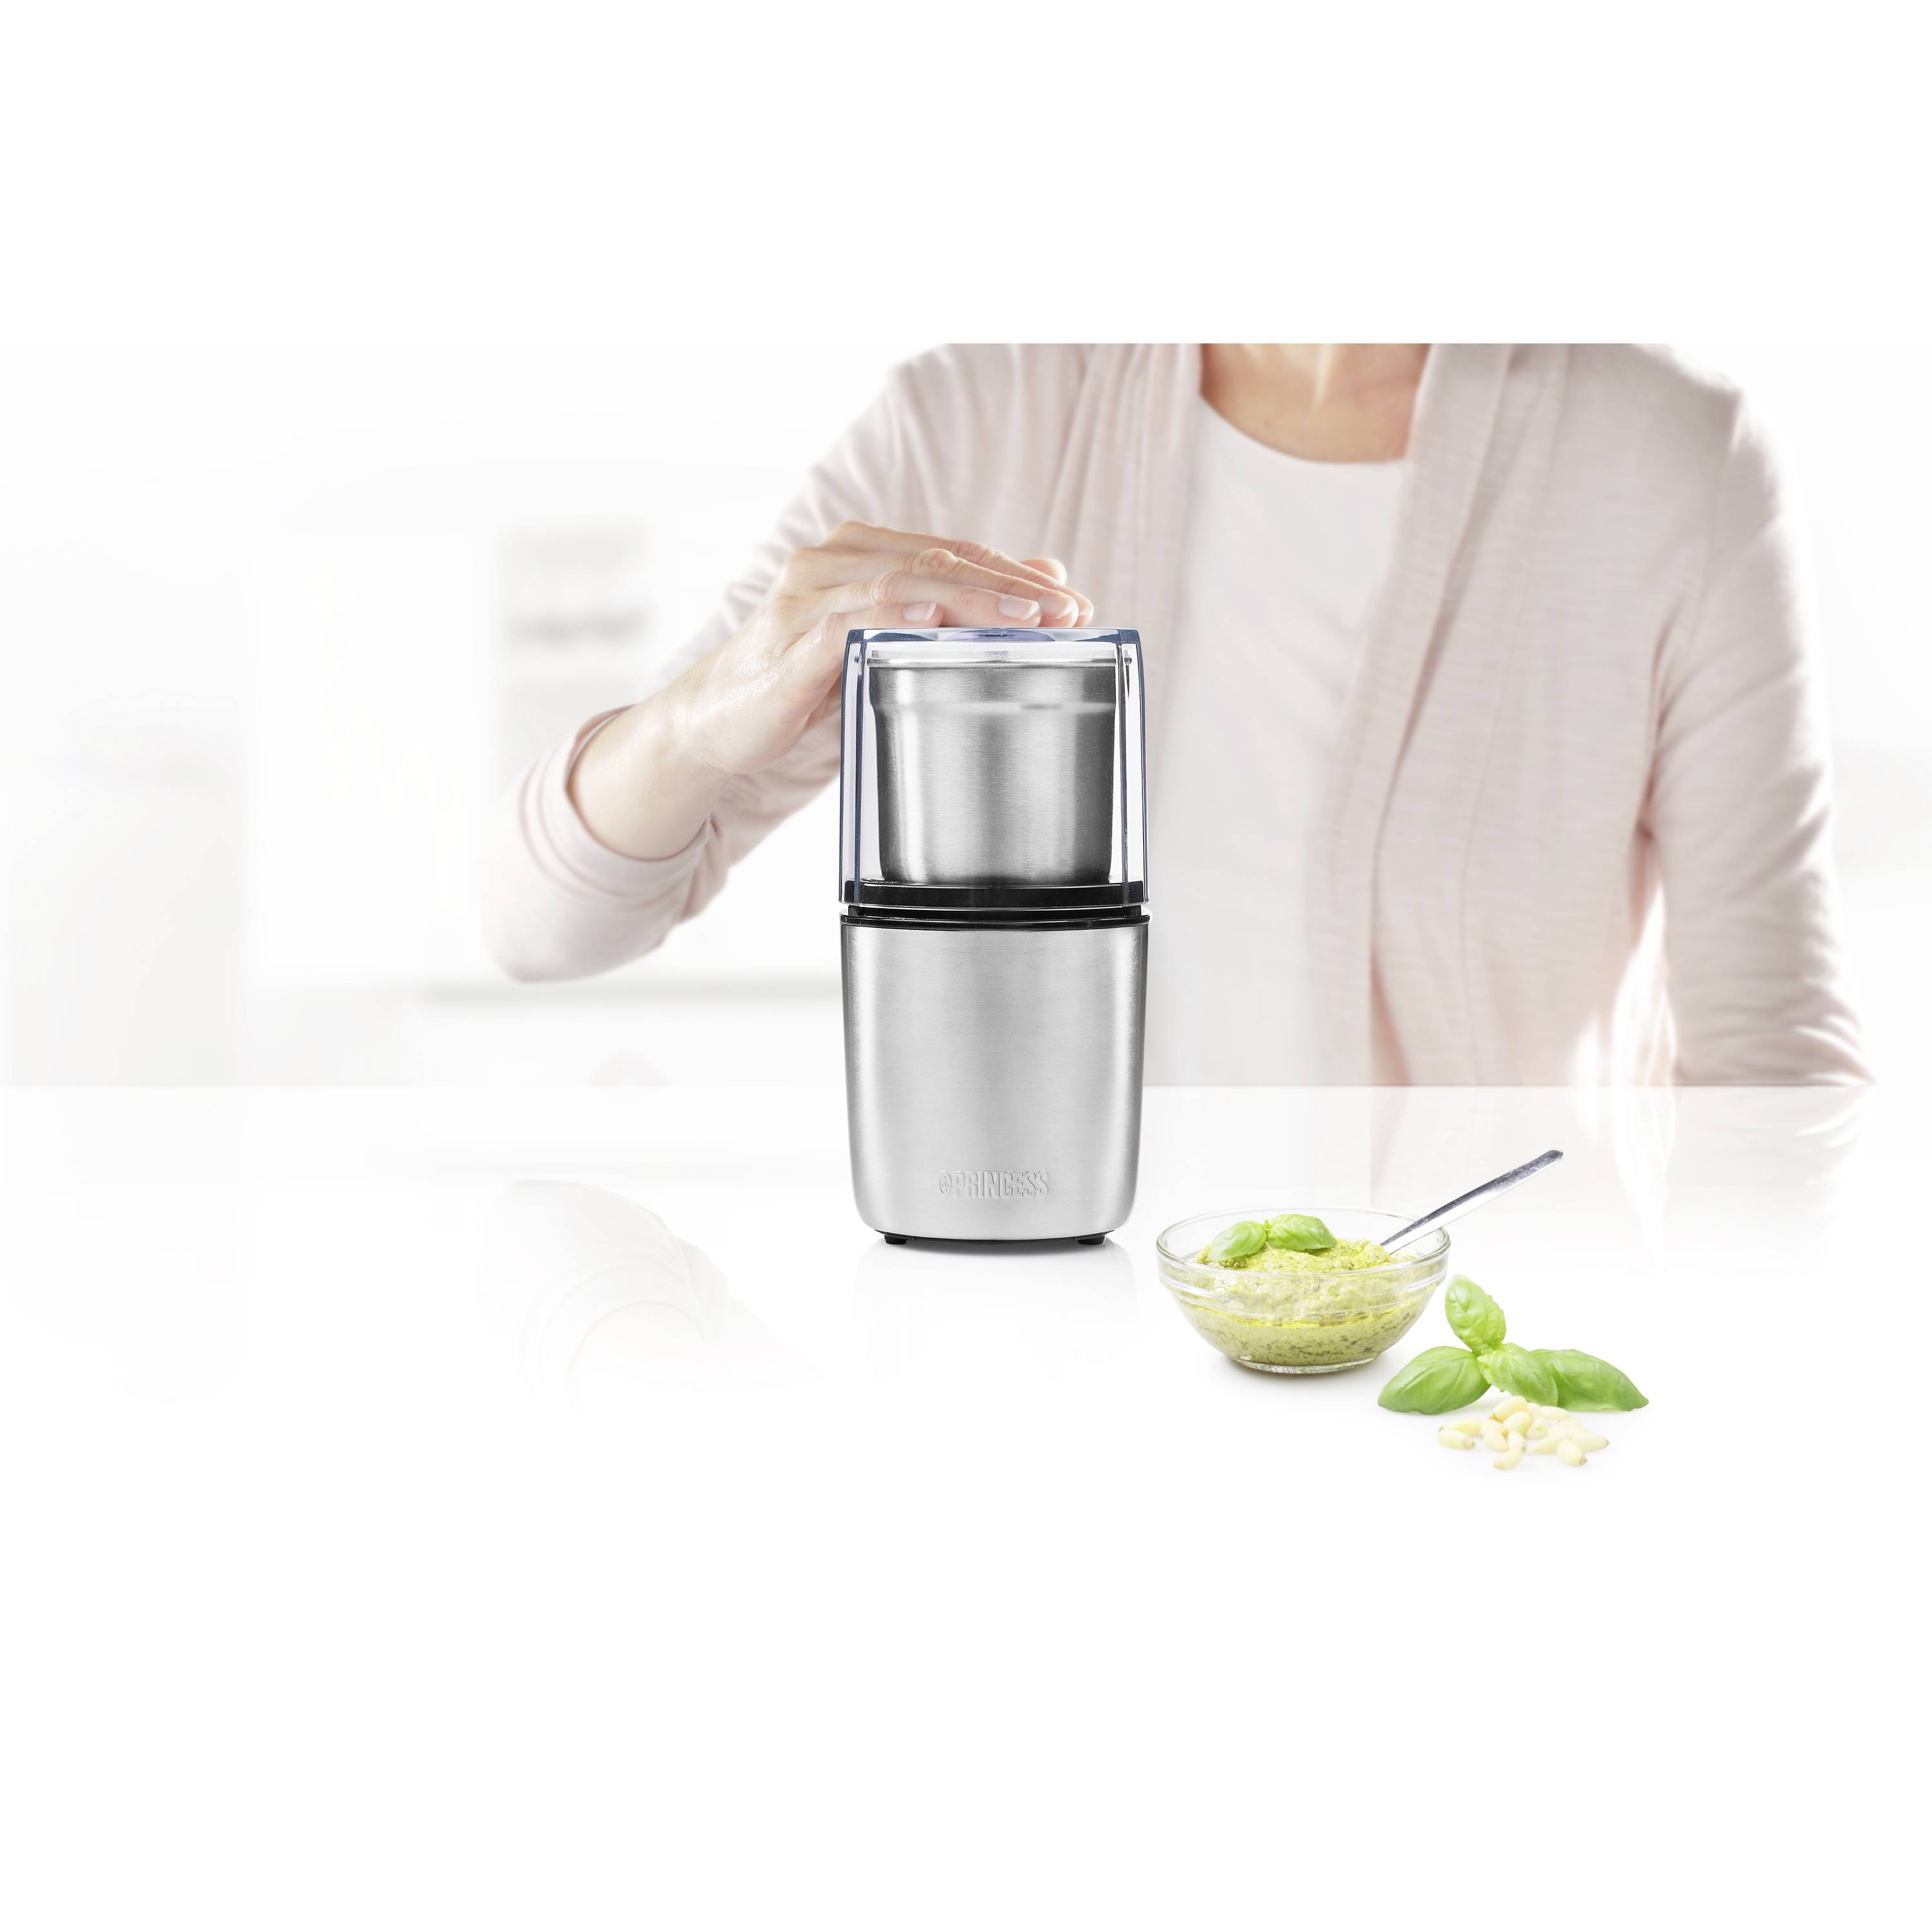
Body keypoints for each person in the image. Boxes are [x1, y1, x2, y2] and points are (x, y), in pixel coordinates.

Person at [484, 344, 1867, 1086]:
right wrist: (702, 713)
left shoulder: (1669, 457)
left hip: (1486, 1399)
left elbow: (1775, 1066)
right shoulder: (974, 418)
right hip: (1064, 1364)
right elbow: (538, 926)